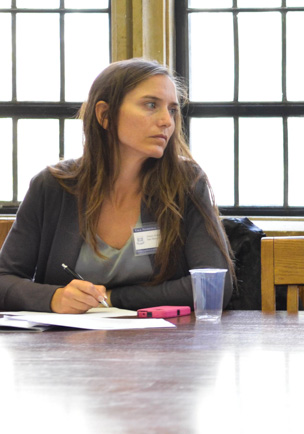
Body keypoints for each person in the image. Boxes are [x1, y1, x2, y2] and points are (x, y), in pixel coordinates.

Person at [0, 58, 233, 312]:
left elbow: (213, 286)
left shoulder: (186, 182)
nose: (167, 121)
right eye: (151, 105)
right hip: (67, 348)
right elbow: (4, 281)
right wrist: (54, 298)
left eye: (173, 110)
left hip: (164, 346)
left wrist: (112, 299)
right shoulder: (51, 187)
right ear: (104, 115)